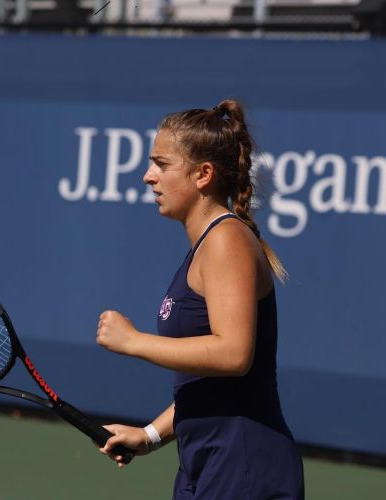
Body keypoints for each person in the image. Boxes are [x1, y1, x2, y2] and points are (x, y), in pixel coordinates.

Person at [95, 99, 305, 499]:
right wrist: (150, 434)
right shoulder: (206, 247)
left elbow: (233, 354)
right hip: (206, 462)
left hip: (244, 467)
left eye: (161, 164)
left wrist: (132, 341)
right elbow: (206, 382)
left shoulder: (227, 241)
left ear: (202, 174)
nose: (147, 176)